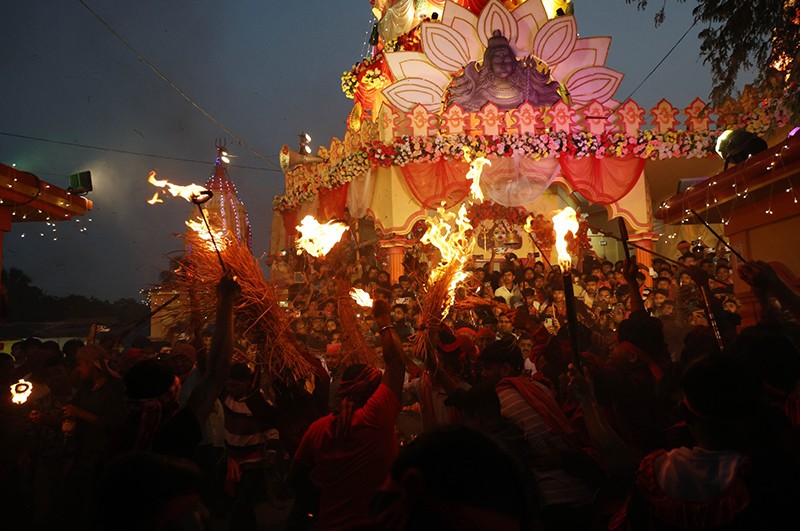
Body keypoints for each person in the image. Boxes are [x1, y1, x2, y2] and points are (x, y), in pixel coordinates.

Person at [289, 297, 406, 530]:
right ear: (371, 390)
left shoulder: (320, 428)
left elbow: (295, 478)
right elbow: (396, 364)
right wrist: (383, 319)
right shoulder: (376, 416)